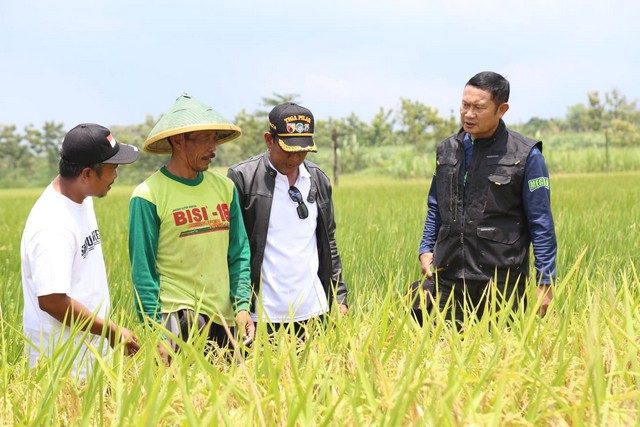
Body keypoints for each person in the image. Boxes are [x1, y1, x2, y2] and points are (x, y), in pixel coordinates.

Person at [418, 71, 557, 325]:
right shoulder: (447, 150)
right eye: (465, 105)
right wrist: (425, 248)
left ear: (501, 109)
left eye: (479, 108)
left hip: (499, 283)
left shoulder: (525, 155)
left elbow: (541, 222)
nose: (469, 114)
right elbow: (436, 207)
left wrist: (545, 282)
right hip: (448, 276)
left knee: (498, 358)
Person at [128, 93, 254, 359]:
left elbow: (239, 253)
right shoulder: (148, 195)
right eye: (204, 139)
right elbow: (144, 272)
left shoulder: (225, 188)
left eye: (215, 138)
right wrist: (156, 332)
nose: (213, 147)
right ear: (178, 140)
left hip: (226, 319)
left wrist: (242, 305)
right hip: (177, 319)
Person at [21, 123, 141, 379]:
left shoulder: (80, 199)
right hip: (64, 367)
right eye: (113, 168)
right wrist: (111, 330)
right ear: (87, 173)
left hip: (89, 355)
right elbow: (52, 300)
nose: (116, 176)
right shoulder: (52, 224)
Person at [227, 102, 348, 339]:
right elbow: (233, 249)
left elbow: (328, 243)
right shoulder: (243, 179)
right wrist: (239, 305)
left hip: (314, 312)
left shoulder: (318, 179)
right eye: (288, 150)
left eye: (302, 152)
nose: (295, 159)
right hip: (262, 315)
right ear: (269, 140)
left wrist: (339, 297)